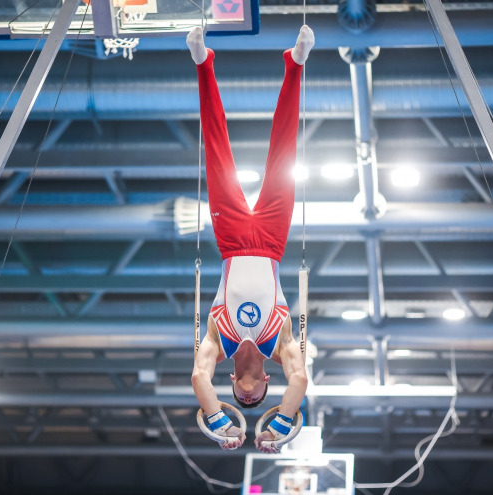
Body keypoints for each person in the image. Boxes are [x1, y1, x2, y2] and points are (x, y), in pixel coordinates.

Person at [188, 25, 314, 452]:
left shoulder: (216, 344)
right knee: (286, 149)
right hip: (274, 241)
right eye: (255, 398)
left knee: (215, 147)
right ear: (265, 381)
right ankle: (295, 64)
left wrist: (220, 421)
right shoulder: (280, 346)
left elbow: (197, 377)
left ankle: (204, 63)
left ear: (232, 387)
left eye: (243, 400)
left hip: (231, 239)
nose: (248, 397)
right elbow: (300, 381)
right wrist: (279, 426)